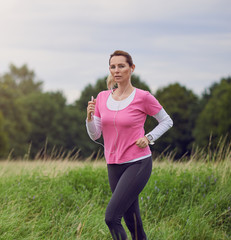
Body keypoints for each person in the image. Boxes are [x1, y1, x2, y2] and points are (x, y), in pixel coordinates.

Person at [86, 50, 173, 240]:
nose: (116, 70)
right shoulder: (101, 97)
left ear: (131, 68)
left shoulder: (143, 97)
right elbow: (95, 135)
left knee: (111, 218)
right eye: (112, 67)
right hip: (113, 165)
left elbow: (167, 121)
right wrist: (89, 118)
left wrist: (149, 137)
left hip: (138, 163)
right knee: (133, 223)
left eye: (121, 66)